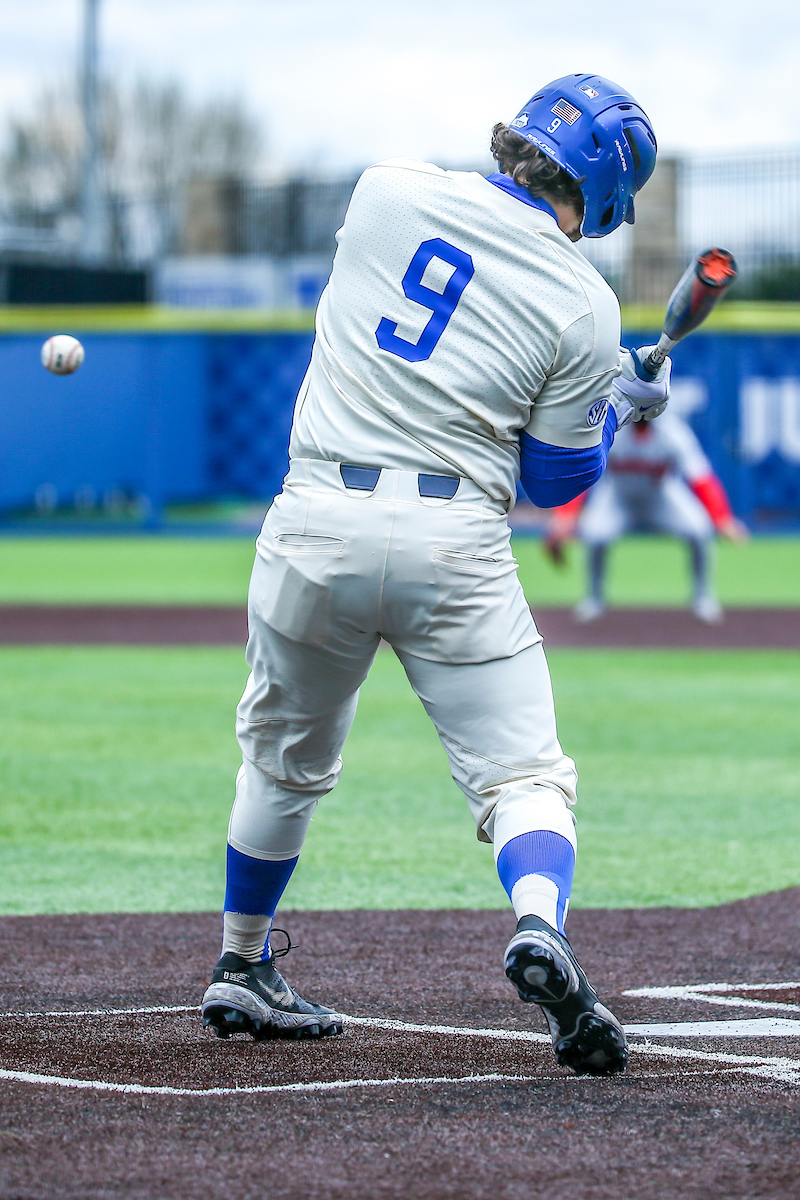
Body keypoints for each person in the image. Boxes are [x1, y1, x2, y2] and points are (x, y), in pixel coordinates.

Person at [200, 74, 668, 1077]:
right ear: (604, 194)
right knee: (523, 776)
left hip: (316, 519)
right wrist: (613, 406)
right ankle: (537, 923)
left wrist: (601, 391)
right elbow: (552, 480)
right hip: (453, 542)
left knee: (280, 766)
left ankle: (241, 962)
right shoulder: (585, 305)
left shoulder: (384, 189)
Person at [545, 409, 748, 622]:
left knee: (699, 529)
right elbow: (583, 471)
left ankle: (703, 597)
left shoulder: (674, 432)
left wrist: (722, 518)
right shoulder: (609, 428)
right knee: (595, 535)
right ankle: (594, 599)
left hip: (661, 497)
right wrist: (565, 516)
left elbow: (700, 476)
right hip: (617, 498)